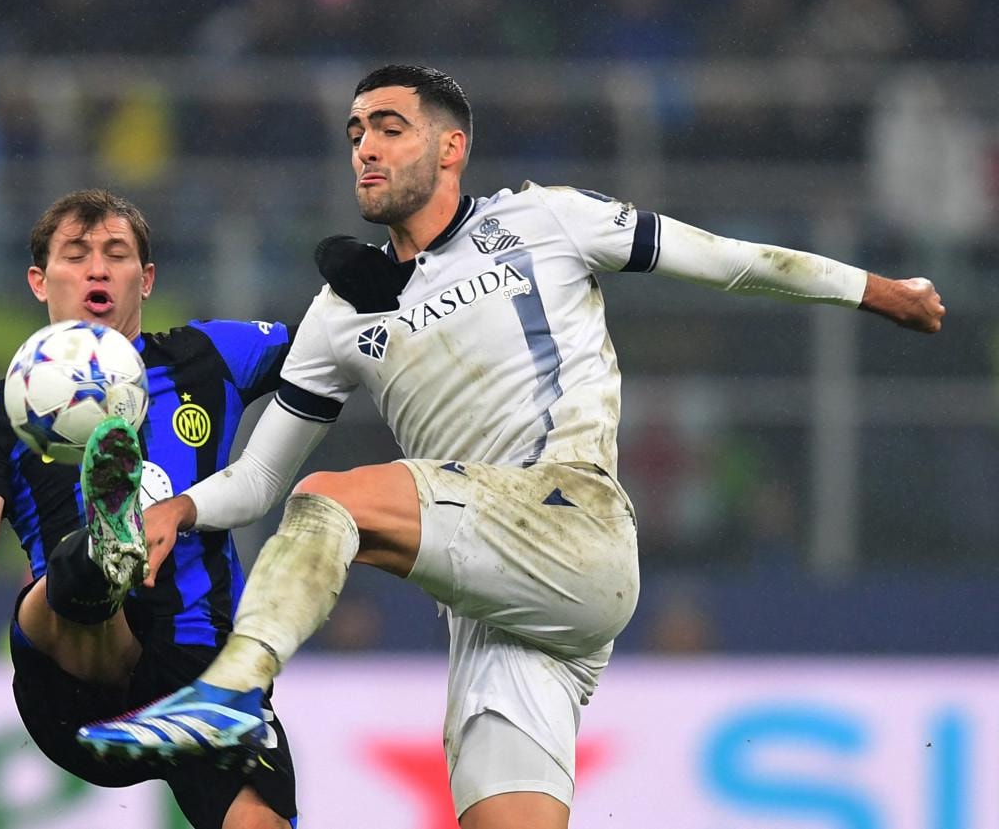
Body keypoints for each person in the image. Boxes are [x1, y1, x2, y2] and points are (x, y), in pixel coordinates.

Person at [76, 65, 946, 828]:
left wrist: (880, 290)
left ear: (451, 147)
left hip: (574, 523)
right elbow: (261, 473)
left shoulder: (546, 219)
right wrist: (181, 507)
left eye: (390, 127)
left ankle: (231, 690)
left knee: (332, 500)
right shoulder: (341, 310)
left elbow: (728, 260)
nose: (365, 147)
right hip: (497, 617)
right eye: (355, 132)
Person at [0, 189, 299, 829]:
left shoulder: (206, 358)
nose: (97, 269)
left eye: (116, 254)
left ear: (145, 279)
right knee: (75, 573)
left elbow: (333, 346)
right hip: (76, 681)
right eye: (75, 255)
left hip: (205, 674)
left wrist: (364, 283)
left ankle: (109, 544)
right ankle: (106, 554)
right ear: (39, 281)